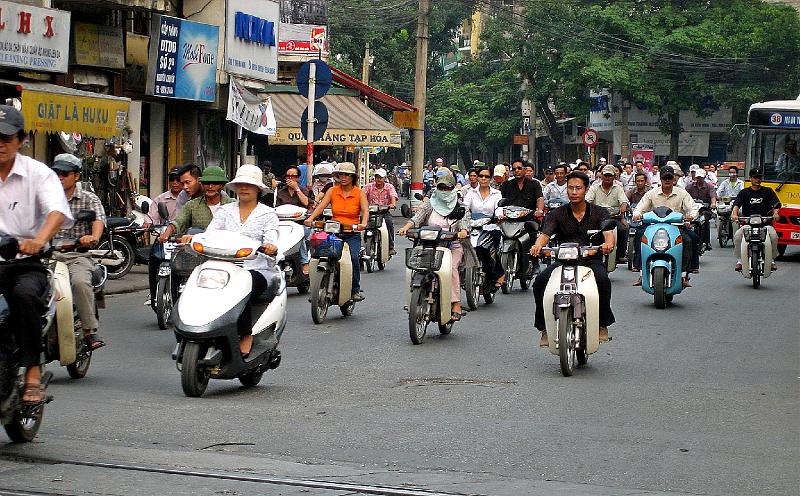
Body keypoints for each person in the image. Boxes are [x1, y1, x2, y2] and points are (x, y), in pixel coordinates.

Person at [0, 105, 72, 404]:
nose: (0, 144)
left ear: (21, 139)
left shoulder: (38, 173)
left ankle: (31, 368)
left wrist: (39, 239)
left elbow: (56, 210)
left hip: (25, 262)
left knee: (26, 296)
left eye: (7, 138)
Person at [530, 171, 615, 346]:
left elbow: (608, 235)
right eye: (570, 188)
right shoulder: (557, 214)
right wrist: (537, 245)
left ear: (586, 189)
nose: (574, 192)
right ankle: (544, 327)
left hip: (591, 260)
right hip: (564, 260)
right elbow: (545, 234)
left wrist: (607, 245)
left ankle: (602, 324)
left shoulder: (600, 213)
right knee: (539, 281)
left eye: (578, 188)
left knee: (603, 280)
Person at [204, 164, 280, 357]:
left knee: (242, 283)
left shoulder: (268, 214)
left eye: (249, 185)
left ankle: (246, 333)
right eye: (240, 184)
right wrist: (193, 238)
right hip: (224, 268)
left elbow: (271, 239)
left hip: (257, 270)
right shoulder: (224, 211)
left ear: (258, 189)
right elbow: (210, 234)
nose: (244, 188)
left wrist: (270, 247)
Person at [398, 172, 475, 321]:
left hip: (452, 245)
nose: (444, 191)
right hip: (428, 244)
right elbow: (417, 219)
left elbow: (465, 223)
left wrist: (463, 231)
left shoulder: (460, 207)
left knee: (451, 268)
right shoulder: (430, 204)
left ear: (453, 188)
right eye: (441, 187)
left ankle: (456, 303)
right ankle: (412, 300)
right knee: (413, 266)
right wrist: (406, 227)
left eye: (448, 188)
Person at [51, 153, 107, 351]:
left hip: (77, 255)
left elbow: (98, 221)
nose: (59, 177)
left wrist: (93, 237)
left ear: (76, 176)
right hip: (47, 256)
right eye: (56, 172)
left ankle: (89, 332)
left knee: (80, 282)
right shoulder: (44, 197)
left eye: (64, 173)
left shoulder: (88, 199)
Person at [305, 162, 369, 301]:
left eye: (347, 174)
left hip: (352, 232)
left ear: (353, 177)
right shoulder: (332, 190)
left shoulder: (359, 193)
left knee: (354, 258)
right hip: (333, 230)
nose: (343, 177)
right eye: (341, 174)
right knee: (318, 255)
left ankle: (355, 289)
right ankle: (316, 288)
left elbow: (365, 210)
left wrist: (363, 224)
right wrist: (311, 218)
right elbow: (321, 206)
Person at [632, 166, 699, 287]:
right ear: (660, 179)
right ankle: (641, 272)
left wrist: (691, 216)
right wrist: (637, 215)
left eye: (669, 177)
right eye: (664, 178)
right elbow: (640, 207)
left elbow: (693, 208)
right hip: (653, 227)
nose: (667, 180)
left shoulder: (682, 193)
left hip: (677, 227)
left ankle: (685, 274)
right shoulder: (652, 193)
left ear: (674, 179)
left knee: (690, 239)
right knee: (639, 235)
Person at [160, 166, 234, 245]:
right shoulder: (191, 205)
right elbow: (179, 221)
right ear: (201, 184)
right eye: (206, 183)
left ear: (222, 185)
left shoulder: (232, 205)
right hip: (198, 250)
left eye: (215, 183)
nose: (210, 186)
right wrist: (167, 232)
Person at [143, 166, 183, 307]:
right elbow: (151, 217)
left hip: (184, 240)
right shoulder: (161, 199)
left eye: (179, 179)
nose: (175, 182)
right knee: (154, 259)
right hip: (165, 239)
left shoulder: (190, 198)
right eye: (172, 179)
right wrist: (148, 224)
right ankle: (153, 293)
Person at [463, 165, 504, 288]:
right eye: (481, 176)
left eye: (487, 176)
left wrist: (499, 216)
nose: (484, 178)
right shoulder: (471, 193)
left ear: (491, 178)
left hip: (491, 228)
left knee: (490, 249)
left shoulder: (497, 194)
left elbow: (499, 208)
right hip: (473, 226)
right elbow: (465, 208)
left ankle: (497, 274)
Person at [731, 169, 780, 272]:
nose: (757, 180)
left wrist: (776, 213)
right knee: (738, 236)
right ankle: (740, 260)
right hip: (748, 224)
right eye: (755, 177)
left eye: (759, 177)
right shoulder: (744, 192)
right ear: (751, 178)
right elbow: (736, 204)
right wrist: (734, 213)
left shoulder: (768, 191)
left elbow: (776, 204)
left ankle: (771, 260)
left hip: (765, 224)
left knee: (774, 236)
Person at [586, 164, 630, 263]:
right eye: (605, 175)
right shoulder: (594, 187)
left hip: (613, 218)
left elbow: (623, 200)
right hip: (596, 218)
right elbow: (587, 200)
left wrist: (623, 207)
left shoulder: (618, 187)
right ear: (601, 175)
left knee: (623, 230)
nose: (607, 178)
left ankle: (620, 255)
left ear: (614, 176)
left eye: (610, 175)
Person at [363, 168, 399, 255]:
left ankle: (390, 246)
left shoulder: (389, 187)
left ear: (385, 178)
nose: (379, 179)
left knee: (389, 223)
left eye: (381, 177)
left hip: (384, 212)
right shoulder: (369, 186)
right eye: (377, 177)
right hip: (370, 212)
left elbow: (393, 197)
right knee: (362, 225)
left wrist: (392, 204)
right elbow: (362, 195)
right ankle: (362, 248)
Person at [685, 168, 717, 251]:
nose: (699, 179)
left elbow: (713, 196)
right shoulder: (689, 187)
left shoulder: (709, 187)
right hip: (691, 209)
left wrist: (713, 204)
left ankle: (706, 241)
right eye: (698, 177)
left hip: (704, 210)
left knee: (705, 219)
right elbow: (684, 196)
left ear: (704, 177)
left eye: (701, 178)